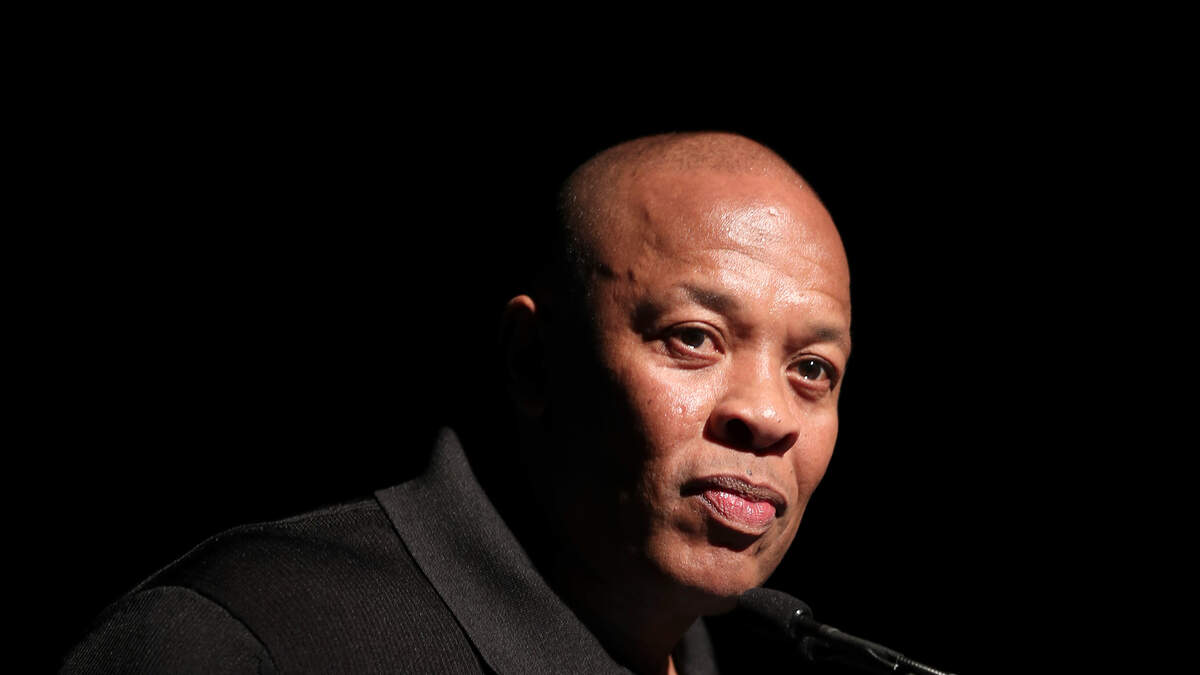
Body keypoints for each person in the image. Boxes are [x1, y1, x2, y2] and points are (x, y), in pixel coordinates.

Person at [62, 131, 852, 674]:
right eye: (694, 338)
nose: (768, 413)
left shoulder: (736, 651)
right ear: (532, 361)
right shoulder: (242, 641)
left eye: (813, 368)